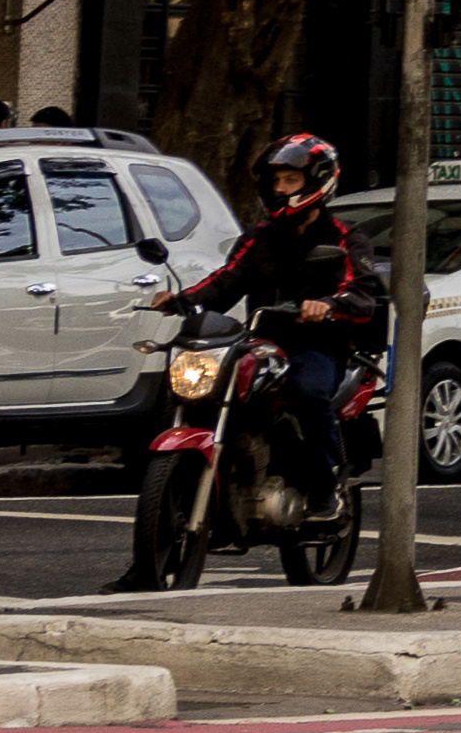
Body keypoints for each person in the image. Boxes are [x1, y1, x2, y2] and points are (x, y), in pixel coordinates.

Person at [116, 133, 387, 588]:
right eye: (276, 179)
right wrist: (182, 300)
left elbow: (361, 293)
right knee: (204, 392)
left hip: (318, 345)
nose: (280, 188)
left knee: (307, 391)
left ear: (318, 181)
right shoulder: (260, 237)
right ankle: (151, 557)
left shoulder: (345, 238)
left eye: (290, 178)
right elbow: (227, 279)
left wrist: (327, 305)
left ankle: (324, 494)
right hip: (261, 342)